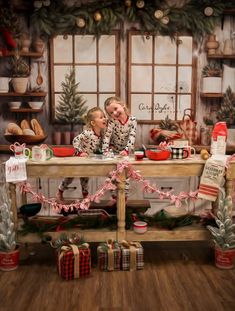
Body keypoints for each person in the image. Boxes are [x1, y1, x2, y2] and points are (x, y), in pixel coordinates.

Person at [56, 107, 107, 202]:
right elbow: (75, 140)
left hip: (90, 160)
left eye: (104, 116)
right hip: (79, 159)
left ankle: (85, 197)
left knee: (85, 179)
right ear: (93, 123)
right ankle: (59, 192)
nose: (104, 118)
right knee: (69, 177)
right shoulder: (87, 133)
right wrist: (79, 152)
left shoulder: (102, 134)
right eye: (101, 117)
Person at [102, 96, 137, 205]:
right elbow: (107, 136)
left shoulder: (132, 120)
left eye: (116, 108)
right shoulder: (112, 122)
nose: (115, 113)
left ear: (122, 105)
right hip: (114, 151)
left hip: (127, 152)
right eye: (111, 113)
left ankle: (124, 198)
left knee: (124, 176)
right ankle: (113, 196)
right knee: (112, 174)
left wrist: (126, 150)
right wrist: (105, 149)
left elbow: (132, 136)